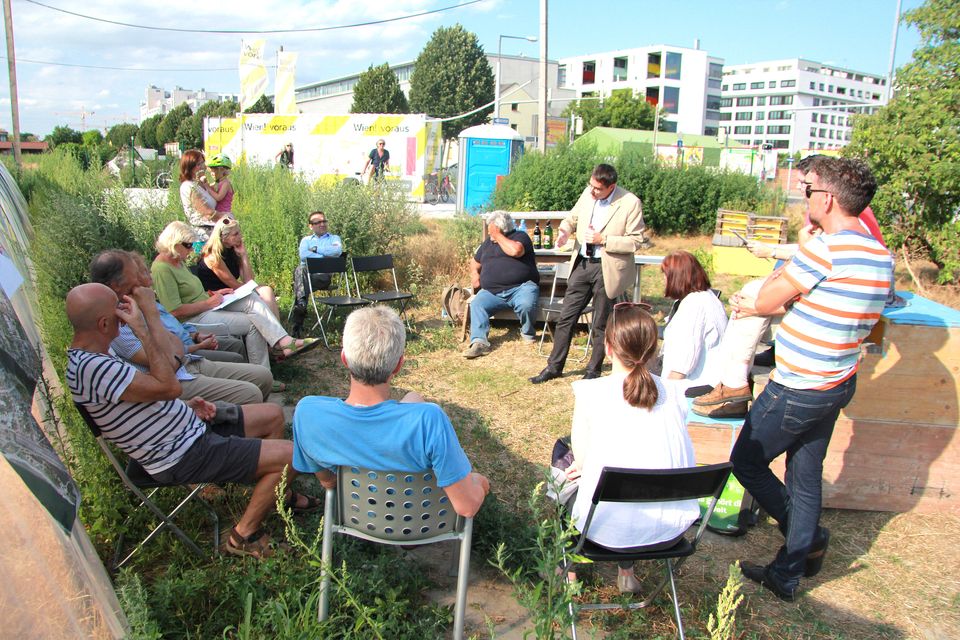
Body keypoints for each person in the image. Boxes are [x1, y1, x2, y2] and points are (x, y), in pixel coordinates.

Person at [730, 157, 893, 601]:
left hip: (799, 385)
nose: (806, 199)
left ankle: (809, 537)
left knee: (745, 461)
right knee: (805, 477)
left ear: (829, 199)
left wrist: (777, 288)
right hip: (837, 381)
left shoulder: (826, 249)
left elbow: (765, 300)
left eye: (809, 193)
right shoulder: (880, 255)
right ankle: (790, 569)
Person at [65, 282, 318, 559]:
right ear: (103, 324)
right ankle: (243, 536)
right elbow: (169, 384)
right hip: (178, 453)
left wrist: (185, 405)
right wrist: (141, 328)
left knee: (272, 415)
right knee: (291, 455)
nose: (123, 317)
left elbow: (145, 398)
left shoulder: (95, 357)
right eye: (118, 312)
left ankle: (279, 494)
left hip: (185, 428)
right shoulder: (95, 368)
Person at [693, 155, 894, 418]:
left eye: (807, 186)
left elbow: (815, 261)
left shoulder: (834, 232)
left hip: (804, 381)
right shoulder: (861, 231)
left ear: (828, 194)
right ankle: (734, 380)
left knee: (753, 299)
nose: (803, 192)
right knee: (753, 297)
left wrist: (777, 273)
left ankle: (734, 384)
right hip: (838, 376)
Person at [292, 305, 490, 519]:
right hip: (418, 521)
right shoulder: (430, 421)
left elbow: (328, 481)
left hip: (360, 515)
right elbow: (467, 507)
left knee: (413, 397)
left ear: (344, 359)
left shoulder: (307, 413)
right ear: (398, 365)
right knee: (476, 480)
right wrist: (479, 483)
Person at [562, 303, 697, 593]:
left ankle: (569, 575)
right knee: (641, 468)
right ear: (653, 351)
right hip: (671, 530)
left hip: (604, 531)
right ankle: (627, 574)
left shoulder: (590, 392)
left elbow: (582, 460)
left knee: (563, 463)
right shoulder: (676, 393)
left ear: (608, 348)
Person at [90, 250, 274, 404]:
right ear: (116, 285)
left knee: (264, 377)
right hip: (178, 381)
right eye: (134, 273)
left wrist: (181, 344)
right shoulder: (117, 326)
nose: (140, 278)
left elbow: (175, 345)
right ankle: (239, 429)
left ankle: (247, 423)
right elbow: (168, 363)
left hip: (188, 363)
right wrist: (151, 312)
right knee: (252, 393)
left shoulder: (135, 303)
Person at [531, 163, 646, 383]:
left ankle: (593, 370)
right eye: (590, 186)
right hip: (582, 264)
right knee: (566, 317)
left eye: (597, 189)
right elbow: (571, 219)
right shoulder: (587, 194)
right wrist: (564, 232)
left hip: (607, 267)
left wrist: (604, 240)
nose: (592, 191)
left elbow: (636, 240)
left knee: (601, 322)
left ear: (611, 186)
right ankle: (554, 367)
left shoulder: (630, 203)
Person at [150, 221, 318, 371]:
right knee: (254, 322)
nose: (191, 250)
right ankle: (263, 373)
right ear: (174, 243)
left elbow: (191, 293)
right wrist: (208, 303)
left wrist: (212, 293)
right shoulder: (162, 269)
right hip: (194, 318)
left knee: (251, 299)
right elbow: (174, 311)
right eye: (188, 245)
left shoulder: (177, 261)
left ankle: (282, 344)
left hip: (208, 305)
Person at [463, 211, 540, 358]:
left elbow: (516, 251)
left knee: (526, 304)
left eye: (491, 228)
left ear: (498, 228)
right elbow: (474, 261)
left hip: (521, 287)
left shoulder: (520, 237)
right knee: (477, 303)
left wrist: (498, 236)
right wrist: (474, 274)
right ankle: (479, 342)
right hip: (492, 291)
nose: (489, 231)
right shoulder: (487, 243)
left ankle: (527, 333)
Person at [658, 251, 728, 392]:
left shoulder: (694, 306)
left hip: (693, 390)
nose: (663, 280)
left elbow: (683, 364)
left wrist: (664, 396)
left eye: (665, 275)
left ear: (677, 277)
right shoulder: (708, 297)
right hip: (706, 384)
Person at [198, 219, 280, 320]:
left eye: (239, 232)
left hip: (230, 293)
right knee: (264, 292)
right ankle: (277, 333)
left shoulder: (232, 249)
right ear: (224, 237)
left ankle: (278, 332)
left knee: (266, 291)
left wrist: (243, 255)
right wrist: (256, 291)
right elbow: (235, 285)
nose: (240, 236)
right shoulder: (213, 257)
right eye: (235, 234)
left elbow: (249, 280)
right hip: (217, 297)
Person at [290, 211, 344, 337]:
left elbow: (336, 251)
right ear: (311, 226)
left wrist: (315, 250)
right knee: (301, 270)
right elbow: (304, 256)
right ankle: (301, 309)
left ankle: (300, 309)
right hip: (306, 275)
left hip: (323, 277)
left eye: (324, 221)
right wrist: (325, 256)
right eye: (318, 222)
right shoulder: (306, 240)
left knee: (300, 277)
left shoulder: (334, 238)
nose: (322, 224)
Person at [178, 149, 225, 241]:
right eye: (199, 164)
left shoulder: (201, 183)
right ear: (189, 168)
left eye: (203, 163)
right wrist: (227, 218)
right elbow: (207, 212)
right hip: (202, 233)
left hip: (214, 229)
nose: (203, 167)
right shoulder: (189, 186)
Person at [203, 154, 234, 219]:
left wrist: (208, 187)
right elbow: (209, 188)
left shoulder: (226, 183)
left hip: (225, 215)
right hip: (219, 214)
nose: (212, 174)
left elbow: (219, 197)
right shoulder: (218, 183)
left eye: (213, 171)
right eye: (211, 172)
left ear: (222, 170)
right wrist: (205, 183)